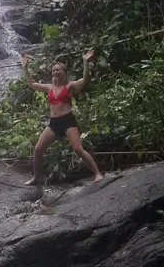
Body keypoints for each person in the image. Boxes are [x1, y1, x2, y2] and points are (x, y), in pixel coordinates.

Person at [22, 50, 103, 185]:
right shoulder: (49, 88)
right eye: (53, 70)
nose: (55, 72)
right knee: (38, 150)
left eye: (58, 70)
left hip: (67, 121)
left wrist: (85, 63)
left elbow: (85, 81)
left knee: (78, 149)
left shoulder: (69, 86)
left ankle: (97, 173)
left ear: (64, 72)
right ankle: (37, 178)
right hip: (54, 123)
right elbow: (32, 84)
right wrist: (25, 68)